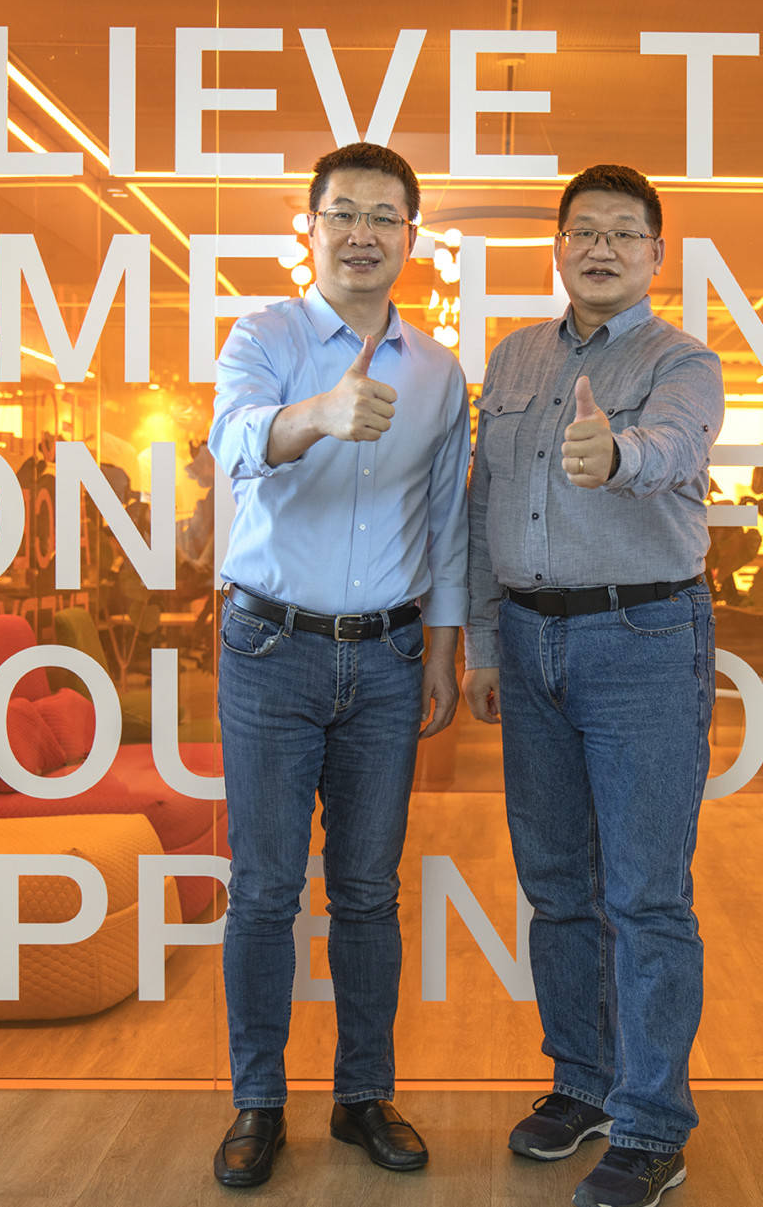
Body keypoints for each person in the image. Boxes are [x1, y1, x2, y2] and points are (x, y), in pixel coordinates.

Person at [206, 142, 469, 1189]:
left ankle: (364, 1095)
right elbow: (233, 441)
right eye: (343, 213)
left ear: (411, 236)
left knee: (366, 891)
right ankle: (257, 1102)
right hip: (269, 649)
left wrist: (443, 649)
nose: (363, 233)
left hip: (391, 657)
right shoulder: (263, 335)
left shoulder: (439, 371)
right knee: (265, 890)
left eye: (384, 216)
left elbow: (446, 523)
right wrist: (317, 416)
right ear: (309, 228)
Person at [462, 165, 724, 1207]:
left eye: (624, 232)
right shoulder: (514, 356)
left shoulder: (683, 361)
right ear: (559, 248)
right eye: (584, 231)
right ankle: (581, 1081)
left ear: (656, 254)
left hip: (643, 639)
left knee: (646, 895)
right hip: (530, 645)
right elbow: (482, 505)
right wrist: (484, 643)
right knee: (556, 885)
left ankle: (653, 1125)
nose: (601, 248)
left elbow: (676, 447)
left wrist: (615, 451)